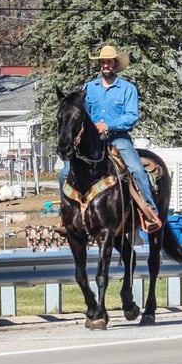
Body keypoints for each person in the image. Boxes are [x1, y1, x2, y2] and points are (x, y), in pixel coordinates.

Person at [57, 44, 161, 233]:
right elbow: (80, 114)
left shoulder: (127, 89)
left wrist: (108, 125)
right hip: (92, 143)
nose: (106, 65)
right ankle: (66, 216)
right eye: (103, 62)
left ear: (115, 64)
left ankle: (149, 212)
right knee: (64, 174)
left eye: (109, 62)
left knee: (137, 170)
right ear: (100, 64)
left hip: (118, 139)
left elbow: (131, 115)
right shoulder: (88, 88)